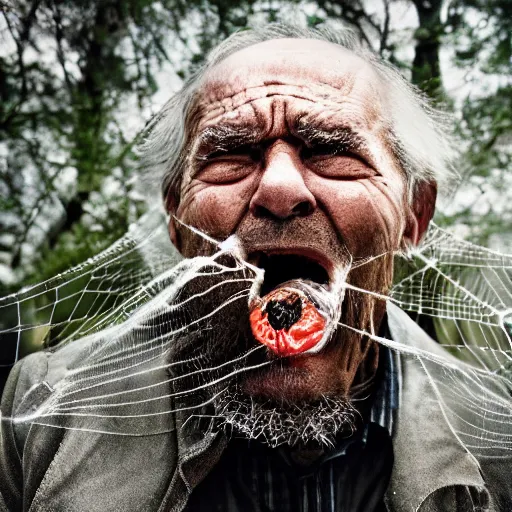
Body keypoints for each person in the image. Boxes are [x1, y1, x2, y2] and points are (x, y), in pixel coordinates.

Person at [1, 24, 511, 512]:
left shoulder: (502, 434)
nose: (280, 190)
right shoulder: (39, 415)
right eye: (230, 155)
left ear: (414, 215)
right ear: (176, 220)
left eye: (333, 151)